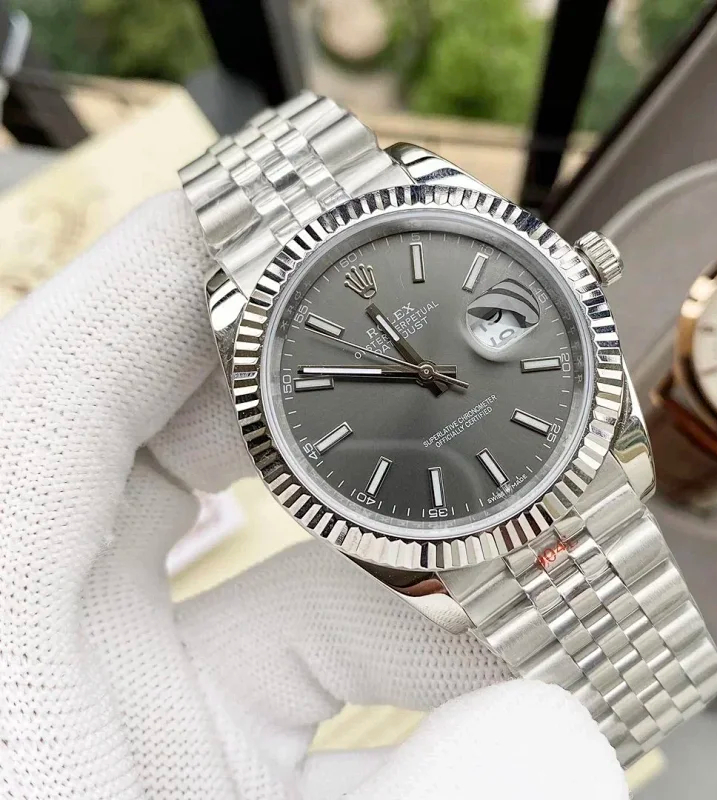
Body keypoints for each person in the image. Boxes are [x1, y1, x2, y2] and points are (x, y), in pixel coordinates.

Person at [0, 192, 627, 799]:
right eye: (422, 375)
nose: (430, 375)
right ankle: (623, 716)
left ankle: (621, 714)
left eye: (428, 374)